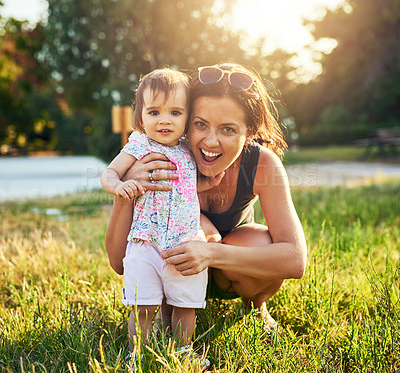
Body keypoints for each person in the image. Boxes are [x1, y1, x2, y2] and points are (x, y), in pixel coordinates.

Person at [104, 63, 307, 335]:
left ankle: (256, 307)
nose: (210, 142)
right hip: (172, 269)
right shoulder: (157, 159)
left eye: (228, 129)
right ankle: (167, 310)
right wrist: (127, 192)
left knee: (255, 241)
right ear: (186, 120)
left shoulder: (261, 165)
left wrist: (210, 252)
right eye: (200, 124)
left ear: (250, 132)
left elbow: (295, 260)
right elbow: (119, 262)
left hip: (230, 272)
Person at [101, 68, 212, 368]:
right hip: (144, 243)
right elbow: (108, 173)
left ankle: (183, 351)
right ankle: (137, 354)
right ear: (140, 117)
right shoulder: (139, 145)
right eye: (154, 112)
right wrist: (120, 185)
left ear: (187, 117)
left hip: (184, 242)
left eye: (175, 112)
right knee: (142, 307)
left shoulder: (191, 145)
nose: (164, 120)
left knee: (185, 306)